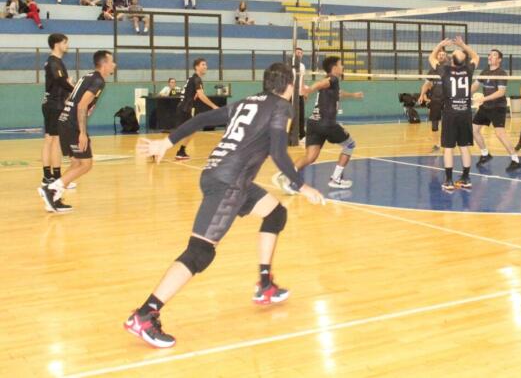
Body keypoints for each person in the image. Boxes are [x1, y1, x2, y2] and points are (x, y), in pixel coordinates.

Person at [123, 62, 324, 348]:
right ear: (289, 86)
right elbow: (279, 152)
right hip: (230, 184)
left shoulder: (248, 102)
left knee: (275, 214)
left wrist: (166, 143)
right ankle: (145, 314)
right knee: (200, 253)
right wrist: (302, 185)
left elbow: (200, 120)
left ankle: (265, 284)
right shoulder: (281, 106)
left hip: (220, 176)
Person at [38, 50, 117, 212]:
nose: (114, 64)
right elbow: (81, 105)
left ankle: (54, 197)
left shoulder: (87, 76)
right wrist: (82, 132)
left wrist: (84, 109)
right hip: (72, 125)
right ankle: (51, 189)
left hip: (64, 120)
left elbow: (71, 99)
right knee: (86, 164)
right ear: (104, 64)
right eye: (112, 61)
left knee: (76, 163)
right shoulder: (98, 81)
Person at [275, 56, 363, 192]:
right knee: (350, 145)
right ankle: (336, 179)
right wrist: (309, 89)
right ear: (334, 68)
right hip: (326, 123)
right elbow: (322, 83)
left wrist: (353, 95)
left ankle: (285, 176)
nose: (343, 67)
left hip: (313, 123)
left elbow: (338, 93)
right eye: (341, 65)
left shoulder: (333, 85)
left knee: (310, 157)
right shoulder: (332, 79)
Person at [430, 37, 480, 191]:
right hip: (465, 113)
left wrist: (440, 45)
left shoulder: (445, 71)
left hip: (451, 114)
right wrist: (463, 45)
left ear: (451, 60)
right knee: (464, 147)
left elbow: (431, 57)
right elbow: (476, 57)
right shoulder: (468, 70)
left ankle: (449, 181)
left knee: (448, 148)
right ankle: (466, 178)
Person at [39, 34, 75, 211]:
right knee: (55, 141)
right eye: (65, 42)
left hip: (52, 103)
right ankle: (56, 178)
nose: (67, 45)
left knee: (50, 139)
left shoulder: (55, 61)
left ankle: (49, 177)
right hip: (55, 105)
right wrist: (76, 89)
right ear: (56, 44)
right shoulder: (54, 62)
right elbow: (61, 81)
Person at [472, 49, 521, 171]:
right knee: (473, 130)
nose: (490, 57)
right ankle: (485, 154)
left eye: (493, 55)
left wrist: (484, 98)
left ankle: (515, 159)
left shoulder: (501, 73)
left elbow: (501, 92)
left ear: (499, 59)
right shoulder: (485, 71)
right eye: (489, 55)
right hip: (486, 107)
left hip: (498, 107)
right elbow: (475, 85)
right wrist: (464, 94)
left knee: (500, 134)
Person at [174, 58, 220, 160]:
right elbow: (201, 95)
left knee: (189, 130)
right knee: (184, 131)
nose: (205, 67)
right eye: (203, 65)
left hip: (184, 108)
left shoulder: (193, 78)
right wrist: (214, 106)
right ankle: (177, 151)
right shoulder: (196, 79)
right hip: (184, 108)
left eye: (206, 65)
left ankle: (181, 151)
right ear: (197, 67)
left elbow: (192, 93)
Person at [418, 45, 448, 152]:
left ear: (446, 56)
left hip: (447, 100)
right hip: (435, 100)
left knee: (447, 122)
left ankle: (446, 143)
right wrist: (422, 95)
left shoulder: (448, 69)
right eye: (439, 54)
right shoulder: (432, 71)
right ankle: (436, 145)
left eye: (443, 54)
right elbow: (426, 84)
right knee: (434, 124)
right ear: (436, 56)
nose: (441, 56)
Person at [291, 47, 306, 142]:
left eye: (300, 53)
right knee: (290, 115)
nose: (299, 54)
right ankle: (289, 135)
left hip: (299, 94)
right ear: (294, 54)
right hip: (291, 95)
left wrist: (303, 91)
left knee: (301, 115)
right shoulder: (290, 65)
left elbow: (302, 79)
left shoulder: (302, 66)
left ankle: (302, 135)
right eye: (297, 53)